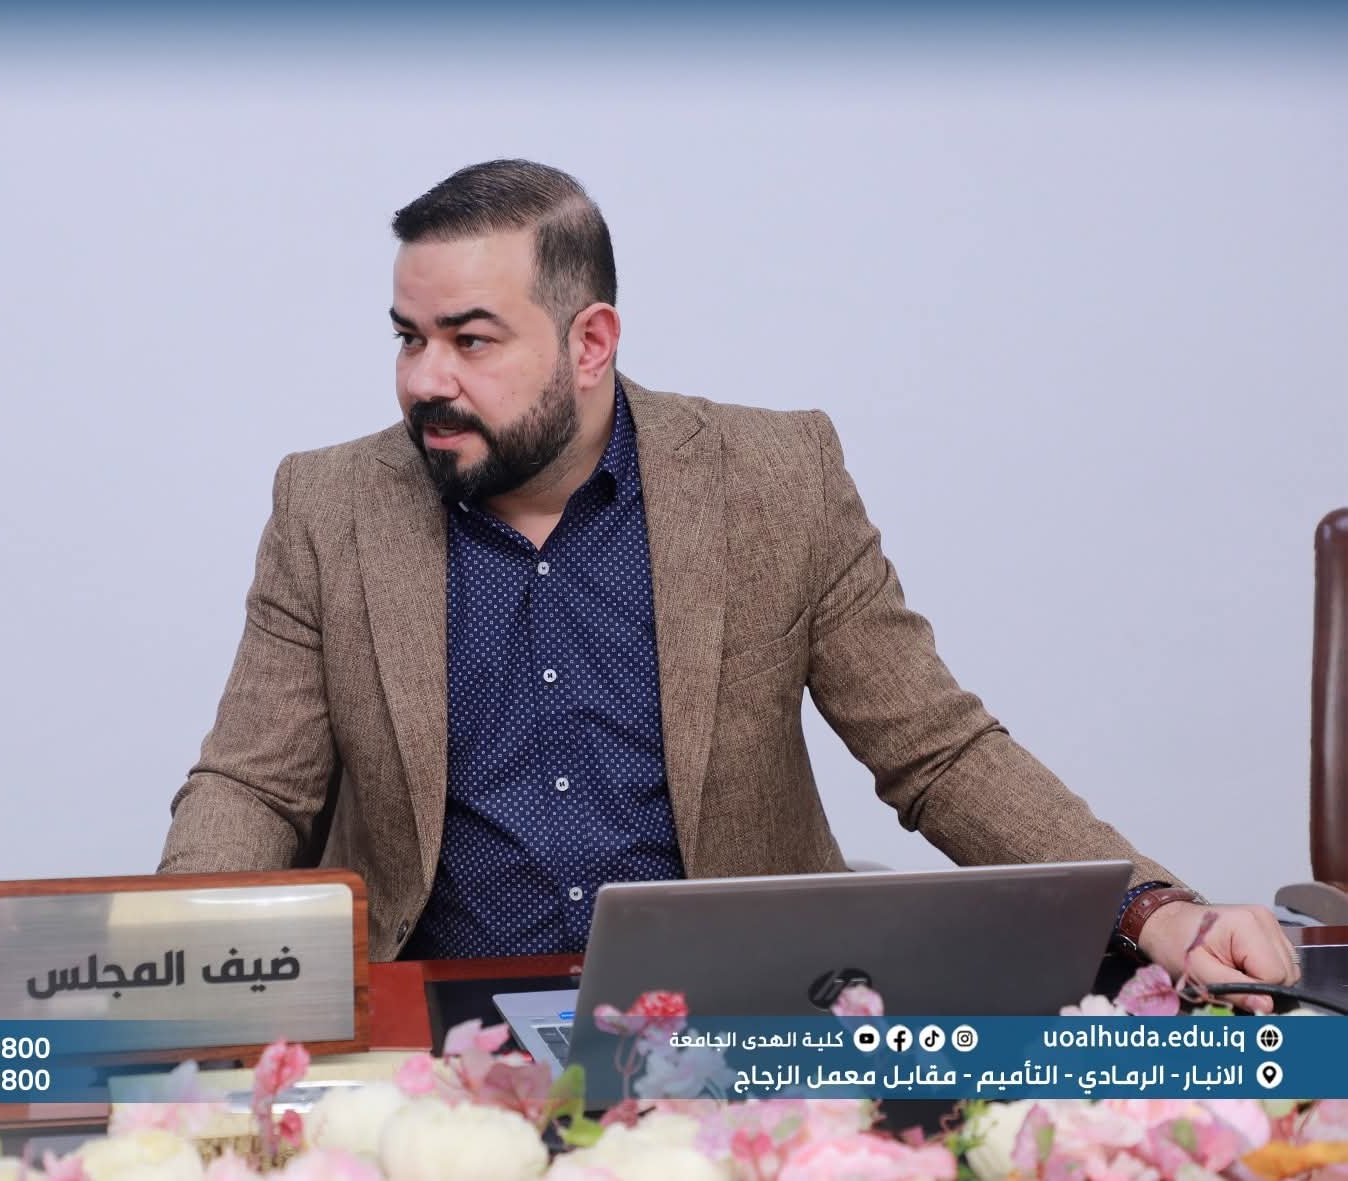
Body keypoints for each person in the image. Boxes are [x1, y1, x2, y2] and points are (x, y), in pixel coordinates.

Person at [159, 159, 1297, 1010]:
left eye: (470, 340)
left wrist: (1153, 905)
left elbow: (937, 750)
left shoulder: (774, 478)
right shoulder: (329, 503)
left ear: (590, 341)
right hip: (438, 1018)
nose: (425, 380)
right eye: (408, 338)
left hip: (745, 1015)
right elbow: (254, 785)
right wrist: (166, 974)